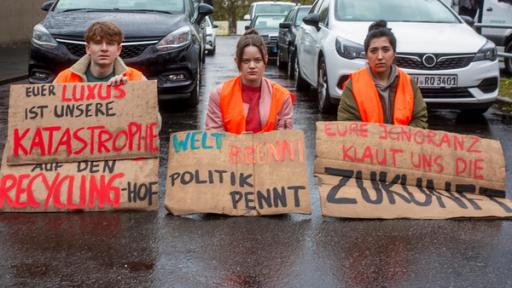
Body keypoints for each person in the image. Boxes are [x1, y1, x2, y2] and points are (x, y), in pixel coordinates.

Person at [337, 20, 428, 129]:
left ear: (394, 53)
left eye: (386, 50)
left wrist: (400, 139)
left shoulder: (408, 83)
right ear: (366, 55)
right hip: (367, 145)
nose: (380, 56)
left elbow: (420, 119)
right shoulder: (353, 84)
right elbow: (347, 123)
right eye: (374, 51)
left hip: (401, 144)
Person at [205, 29, 293, 133]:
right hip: (230, 149)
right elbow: (214, 138)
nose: (252, 66)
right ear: (237, 61)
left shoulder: (282, 97)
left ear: (266, 59)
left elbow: (285, 140)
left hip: (269, 149)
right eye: (246, 61)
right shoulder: (219, 95)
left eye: (257, 60)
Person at [53, 21, 145, 84]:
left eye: (110, 43)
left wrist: (128, 90)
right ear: (88, 48)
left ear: (118, 50)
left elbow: (151, 112)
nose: (104, 48)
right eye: (97, 43)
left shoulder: (136, 78)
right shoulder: (64, 78)